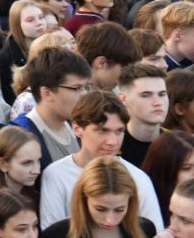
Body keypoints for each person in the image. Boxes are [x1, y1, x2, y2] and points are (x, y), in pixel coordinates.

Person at [38, 91, 164, 230]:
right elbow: (51, 236)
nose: (112, 141)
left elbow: (154, 235)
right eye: (102, 131)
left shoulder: (138, 179)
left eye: (119, 131)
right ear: (77, 128)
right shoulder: (56, 175)